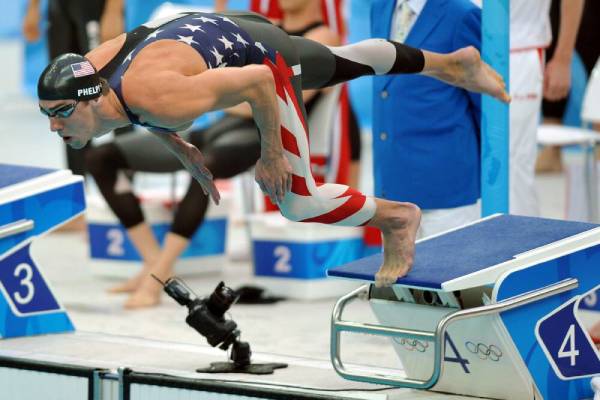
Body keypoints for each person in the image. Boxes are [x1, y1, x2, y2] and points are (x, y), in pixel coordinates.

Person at [36, 10, 509, 293]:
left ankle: (397, 218)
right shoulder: (94, 73)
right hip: (235, 29)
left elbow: (261, 82)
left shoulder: (156, 96)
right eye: (47, 116)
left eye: (60, 113)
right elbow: (140, 46)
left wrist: (272, 153)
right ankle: (452, 63)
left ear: (89, 99)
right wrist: (177, 143)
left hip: (263, 63)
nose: (55, 127)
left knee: (297, 200)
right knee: (343, 61)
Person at [85, 0, 358, 308]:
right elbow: (233, 89)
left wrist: (213, 95)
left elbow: (279, 99)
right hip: (217, 128)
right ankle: (152, 262)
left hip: (264, 135)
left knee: (205, 165)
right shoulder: (259, 29)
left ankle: (160, 275)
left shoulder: (322, 36)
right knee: (101, 157)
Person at [370, 0, 482, 238]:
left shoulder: (462, 15)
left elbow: (485, 106)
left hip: (446, 194)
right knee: (395, 276)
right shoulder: (380, 8)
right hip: (392, 191)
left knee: (452, 273)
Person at [508, 0, 583, 215]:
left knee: (514, 165)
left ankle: (520, 242)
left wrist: (563, 58)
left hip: (520, 48)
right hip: (462, 46)